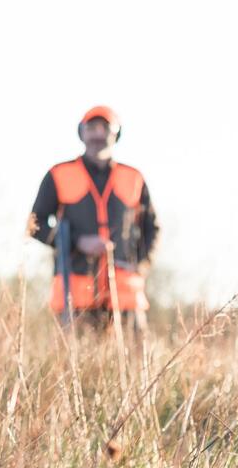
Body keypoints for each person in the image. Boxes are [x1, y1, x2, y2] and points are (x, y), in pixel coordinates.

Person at [28, 106, 158, 327]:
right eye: (92, 128)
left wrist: (141, 264)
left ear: (116, 134)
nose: (98, 134)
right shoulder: (58, 174)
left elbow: (152, 227)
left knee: (135, 361)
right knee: (73, 360)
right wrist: (77, 241)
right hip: (74, 296)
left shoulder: (134, 178)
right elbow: (34, 225)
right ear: (82, 133)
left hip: (125, 295)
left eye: (105, 128)